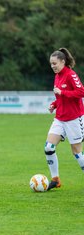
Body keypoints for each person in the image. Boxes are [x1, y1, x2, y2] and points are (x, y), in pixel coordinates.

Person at [44, 47, 84, 190]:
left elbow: (81, 92)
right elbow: (60, 97)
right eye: (51, 64)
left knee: (77, 153)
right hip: (60, 118)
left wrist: (63, 92)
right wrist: (54, 105)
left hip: (74, 118)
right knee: (48, 148)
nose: (52, 66)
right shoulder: (57, 76)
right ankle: (55, 180)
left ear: (62, 61)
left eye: (54, 63)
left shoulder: (71, 74)